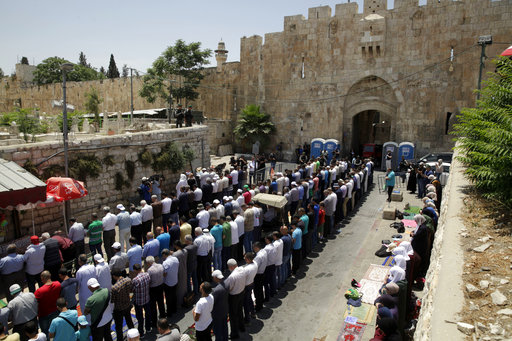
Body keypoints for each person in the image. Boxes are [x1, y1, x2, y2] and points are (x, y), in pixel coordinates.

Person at [34, 271, 61, 337]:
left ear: (43, 278)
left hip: (44, 315)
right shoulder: (58, 284)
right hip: (55, 311)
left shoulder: (39, 291)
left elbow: (34, 302)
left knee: (45, 333)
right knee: (56, 330)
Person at [224, 259, 246, 339]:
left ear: (231, 266)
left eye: (229, 267)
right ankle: (241, 326)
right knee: (240, 311)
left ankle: (234, 333)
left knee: (233, 315)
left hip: (234, 297)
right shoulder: (242, 269)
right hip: (241, 293)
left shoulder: (232, 276)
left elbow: (229, 288)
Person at [111, 271, 134, 340]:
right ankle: (133, 335)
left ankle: (120, 339)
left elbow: (112, 300)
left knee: (118, 326)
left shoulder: (115, 288)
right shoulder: (128, 280)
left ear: (114, 276)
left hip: (119, 309)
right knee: (129, 321)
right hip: (127, 305)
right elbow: (131, 291)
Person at [131, 264, 152, 337]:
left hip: (138, 301)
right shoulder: (147, 275)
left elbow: (132, 290)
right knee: (148, 314)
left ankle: (141, 333)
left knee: (140, 318)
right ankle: (148, 328)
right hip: (146, 298)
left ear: (135, 270)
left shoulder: (135, 280)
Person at [146, 256, 166, 327]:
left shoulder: (150, 270)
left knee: (153, 306)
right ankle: (163, 317)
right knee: (161, 302)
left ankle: (154, 322)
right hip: (160, 286)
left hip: (153, 289)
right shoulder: (160, 265)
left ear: (148, 263)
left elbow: (149, 281)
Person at [210, 270, 228, 341]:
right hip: (225, 310)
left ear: (216, 277)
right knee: (224, 327)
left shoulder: (216, 290)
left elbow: (213, 302)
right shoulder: (226, 284)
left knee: (218, 330)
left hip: (217, 313)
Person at [161, 249, 179, 318]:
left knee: (168, 298)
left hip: (168, 283)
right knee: (174, 295)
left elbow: (164, 274)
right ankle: (174, 309)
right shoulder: (175, 259)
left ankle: (169, 313)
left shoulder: (165, 263)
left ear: (164, 254)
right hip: (175, 280)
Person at [242, 252, 257, 323]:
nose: (244, 259)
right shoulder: (255, 264)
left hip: (246, 286)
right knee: (249, 299)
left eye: (245, 258)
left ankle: (247, 319)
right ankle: (253, 313)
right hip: (251, 283)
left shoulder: (246, 269)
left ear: (248, 259)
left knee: (245, 303)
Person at [252, 242, 267, 311]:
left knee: (257, 291)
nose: (253, 249)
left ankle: (258, 306)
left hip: (258, 275)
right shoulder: (263, 251)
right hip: (263, 272)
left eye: (254, 247)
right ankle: (261, 301)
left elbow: (254, 267)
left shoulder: (258, 256)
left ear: (257, 247)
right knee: (260, 289)